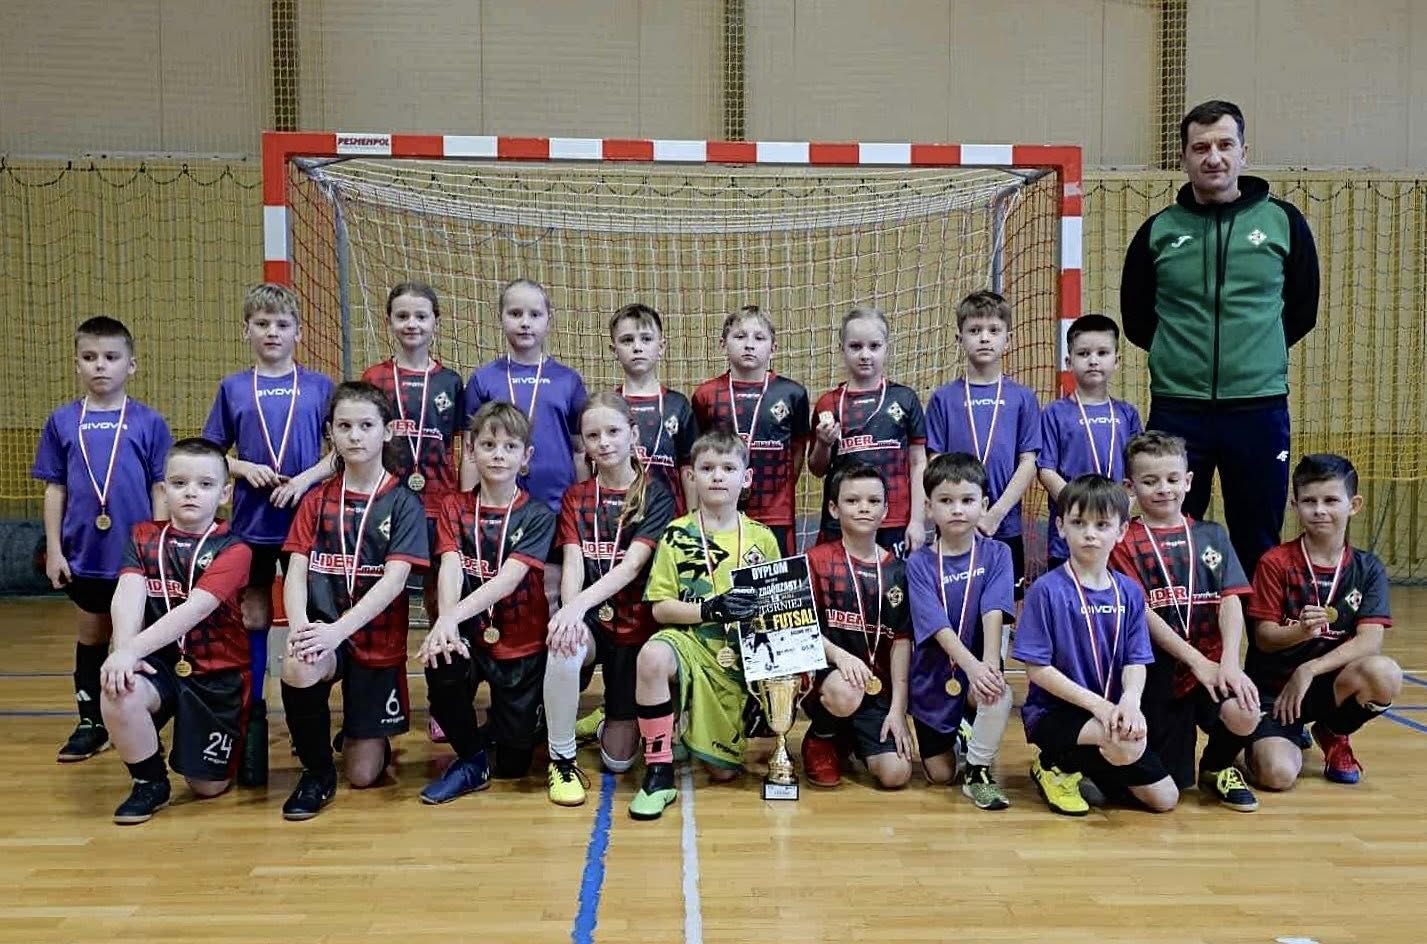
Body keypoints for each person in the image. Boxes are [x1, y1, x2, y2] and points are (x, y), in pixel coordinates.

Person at [1120, 99, 1320, 581]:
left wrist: (1254, 354)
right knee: (1168, 531)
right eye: (1201, 148)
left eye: (1225, 145)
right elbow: (1138, 320)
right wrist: (1182, 358)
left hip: (1258, 408)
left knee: (1258, 536)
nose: (1214, 157)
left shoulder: (1283, 223)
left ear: (1244, 152)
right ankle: (1178, 632)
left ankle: (1259, 634)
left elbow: (1302, 310)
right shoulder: (1158, 231)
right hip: (1178, 409)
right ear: (1184, 157)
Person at [202, 283, 335, 785]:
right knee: (255, 614)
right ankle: (253, 712)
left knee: (313, 615)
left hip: (308, 522)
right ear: (246, 331)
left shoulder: (319, 386)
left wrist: (303, 481)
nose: (272, 332)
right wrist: (243, 468)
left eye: (282, 324)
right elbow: (212, 453)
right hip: (253, 524)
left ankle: (309, 715)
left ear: (299, 332)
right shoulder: (233, 387)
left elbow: (340, 452)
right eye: (262, 324)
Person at [278, 382, 428, 820]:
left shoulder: (403, 503)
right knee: (298, 664)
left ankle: (365, 733)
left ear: (387, 431)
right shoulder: (316, 500)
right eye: (344, 426)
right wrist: (301, 629)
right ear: (331, 433)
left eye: (366, 425)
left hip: (375, 642)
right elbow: (295, 571)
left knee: (363, 775)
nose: (355, 435)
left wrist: (337, 631)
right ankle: (317, 772)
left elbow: (395, 582)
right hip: (325, 633)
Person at [33, 316, 172, 764]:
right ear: (76, 364)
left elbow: (160, 487)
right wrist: (55, 549)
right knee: (92, 636)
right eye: (90, 357)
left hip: (135, 559)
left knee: (141, 640)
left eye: (111, 357)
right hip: (86, 556)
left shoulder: (148, 422)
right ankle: (90, 723)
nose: (100, 366)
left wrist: (158, 548)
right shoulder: (62, 421)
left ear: (131, 365)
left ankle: (143, 720)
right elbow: (54, 488)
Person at [627, 430, 781, 821]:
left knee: (723, 774)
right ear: (691, 476)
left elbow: (776, 613)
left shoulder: (763, 539)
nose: (717, 476)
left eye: (728, 468)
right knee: (651, 657)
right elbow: (660, 609)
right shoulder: (676, 533)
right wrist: (710, 609)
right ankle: (658, 772)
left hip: (735, 661)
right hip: (689, 642)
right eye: (707, 468)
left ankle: (689, 724)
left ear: (746, 478)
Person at [98, 438, 253, 824]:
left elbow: (193, 610)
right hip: (160, 665)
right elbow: (128, 595)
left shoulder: (234, 549)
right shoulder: (142, 536)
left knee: (207, 788)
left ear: (224, 494)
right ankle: (150, 783)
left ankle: (229, 735)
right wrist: (123, 653)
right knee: (118, 688)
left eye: (205, 484)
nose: (191, 492)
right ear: (163, 490)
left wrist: (130, 651)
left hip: (217, 673)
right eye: (179, 483)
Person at [1110, 432, 1260, 811]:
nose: (1164, 489)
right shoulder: (1123, 542)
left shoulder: (1212, 535)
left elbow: (1230, 599)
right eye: (1150, 481)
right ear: (1129, 487)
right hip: (1158, 672)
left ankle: (1218, 766)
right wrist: (1196, 661)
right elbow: (1141, 612)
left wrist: (1230, 662)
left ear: (1189, 481)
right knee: (1172, 787)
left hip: (1213, 663)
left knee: (1245, 711)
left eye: (1172, 479)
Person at [417, 402, 558, 804]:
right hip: (471, 636)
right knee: (442, 657)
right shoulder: (454, 506)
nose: (498, 455)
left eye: (510, 447)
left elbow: (508, 580)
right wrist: (447, 624)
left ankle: (510, 726)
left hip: (521, 643)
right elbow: (450, 565)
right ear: (471, 450)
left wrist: (448, 618)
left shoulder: (538, 514)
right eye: (488, 445)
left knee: (514, 765)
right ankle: (471, 759)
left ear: (526, 457)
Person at [1014, 474, 1178, 816]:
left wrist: (1130, 701)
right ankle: (1052, 765)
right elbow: (1037, 669)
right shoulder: (1046, 590)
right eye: (1079, 523)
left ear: (1121, 531)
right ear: (1061, 527)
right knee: (1122, 745)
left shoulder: (1129, 592)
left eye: (1102, 524)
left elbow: (1136, 660)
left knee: (1165, 799)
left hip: (1111, 711)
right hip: (1056, 713)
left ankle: (1081, 768)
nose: (1090, 533)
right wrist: (1099, 707)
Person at [544, 393, 677, 805]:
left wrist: (575, 607)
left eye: (613, 431)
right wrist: (571, 615)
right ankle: (561, 759)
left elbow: (632, 566)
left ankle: (610, 720)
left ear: (633, 434)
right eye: (593, 435)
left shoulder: (656, 494)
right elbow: (573, 562)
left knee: (618, 762)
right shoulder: (577, 496)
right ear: (583, 443)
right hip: (592, 618)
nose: (604, 442)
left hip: (636, 624)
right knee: (563, 646)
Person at [1243, 454, 1401, 789]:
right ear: (1295, 505)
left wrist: (1309, 669)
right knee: (1277, 776)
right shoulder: (1275, 562)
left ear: (1353, 505)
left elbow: (1370, 641)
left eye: (1331, 500)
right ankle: (1257, 740)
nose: (1319, 510)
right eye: (1309, 501)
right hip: (1275, 691)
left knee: (1384, 673)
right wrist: (1300, 631)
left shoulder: (1368, 568)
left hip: (1327, 684)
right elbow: (1264, 638)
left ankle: (1333, 731)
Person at [359, 281, 465, 744]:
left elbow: (465, 448)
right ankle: (387, 705)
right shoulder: (374, 378)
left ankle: (444, 706)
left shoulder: (450, 382)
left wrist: (463, 503)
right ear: (389, 322)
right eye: (402, 316)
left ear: (436, 323)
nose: (412, 324)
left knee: (443, 605)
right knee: (388, 606)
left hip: (440, 505)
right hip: (390, 506)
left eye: (421, 316)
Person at [905, 453, 1015, 810]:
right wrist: (971, 666)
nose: (957, 509)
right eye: (946, 501)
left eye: (967, 500)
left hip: (976, 669)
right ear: (928, 507)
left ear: (984, 505)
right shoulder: (918, 563)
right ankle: (962, 733)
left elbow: (993, 610)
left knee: (997, 692)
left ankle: (978, 771)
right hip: (935, 677)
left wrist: (989, 667)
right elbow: (936, 624)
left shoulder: (998, 553)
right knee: (939, 775)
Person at [800, 463, 913, 790]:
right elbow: (800, 627)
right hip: (830, 680)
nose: (864, 508)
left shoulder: (898, 572)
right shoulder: (815, 560)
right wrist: (840, 656)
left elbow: (901, 642)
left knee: (896, 774)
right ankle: (821, 737)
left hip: (876, 689)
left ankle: (848, 738)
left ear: (886, 510)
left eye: (873, 501)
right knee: (846, 691)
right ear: (833, 509)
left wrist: (898, 710)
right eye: (852, 500)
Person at [925, 291, 1041, 594]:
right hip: (955, 523)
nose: (985, 338)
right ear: (959, 338)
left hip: (1004, 523)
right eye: (975, 330)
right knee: (955, 601)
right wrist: (963, 511)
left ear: (1008, 339)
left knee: (1007, 608)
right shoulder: (943, 399)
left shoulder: (1023, 398)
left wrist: (994, 514)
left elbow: (1028, 463)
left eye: (994, 330)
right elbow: (935, 462)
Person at [691, 305, 810, 556]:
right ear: (723, 344)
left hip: (775, 511)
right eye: (740, 336)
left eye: (759, 338)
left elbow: (798, 447)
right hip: (722, 509)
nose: (749, 345)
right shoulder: (706, 395)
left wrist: (783, 488)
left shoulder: (792, 394)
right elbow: (698, 452)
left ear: (773, 348)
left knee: (776, 577)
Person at [808, 307, 927, 556]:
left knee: (894, 582)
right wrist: (823, 444)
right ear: (841, 349)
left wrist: (917, 521)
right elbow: (817, 469)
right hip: (843, 521)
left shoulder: (904, 398)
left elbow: (918, 463)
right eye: (855, 346)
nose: (865, 355)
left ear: (886, 348)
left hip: (894, 519)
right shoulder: (828, 403)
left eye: (874, 346)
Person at [1037, 314, 1142, 572]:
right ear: (1068, 361)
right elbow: (1046, 470)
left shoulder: (1127, 414)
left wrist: (1121, 509)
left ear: (1116, 361)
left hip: (1114, 531)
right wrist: (1079, 507)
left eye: (1102, 353)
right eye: (1083, 354)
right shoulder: (1054, 413)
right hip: (1070, 533)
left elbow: (1138, 469)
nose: (1093, 360)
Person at [608, 303, 699, 514]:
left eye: (646, 339)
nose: (637, 347)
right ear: (614, 350)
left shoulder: (678, 405)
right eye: (627, 340)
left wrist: (692, 519)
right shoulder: (608, 406)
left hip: (670, 515)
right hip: (618, 515)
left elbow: (688, 466)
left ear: (661, 347)